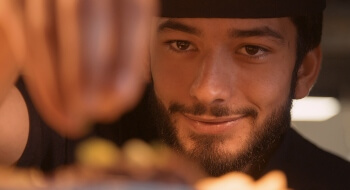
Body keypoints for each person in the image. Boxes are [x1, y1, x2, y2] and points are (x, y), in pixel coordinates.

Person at [139, 0, 350, 189]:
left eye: (252, 49)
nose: (207, 91)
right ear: (145, 56)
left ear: (304, 71)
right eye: (181, 45)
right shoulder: (109, 173)